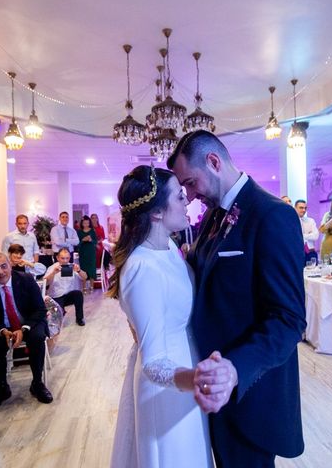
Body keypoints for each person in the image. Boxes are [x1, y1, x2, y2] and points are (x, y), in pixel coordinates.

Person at [169, 130, 306, 467]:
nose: (188, 194)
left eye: (190, 182)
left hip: (248, 390)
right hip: (212, 385)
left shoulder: (272, 215)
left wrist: (235, 369)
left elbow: (288, 319)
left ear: (214, 162)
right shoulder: (212, 217)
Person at [108, 165, 213, 468]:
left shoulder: (167, 246)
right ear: (156, 213)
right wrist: (193, 378)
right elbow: (153, 362)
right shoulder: (142, 268)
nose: (187, 201)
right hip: (168, 388)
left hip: (187, 367)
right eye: (179, 197)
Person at [0, 253, 52, 412]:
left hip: (28, 323)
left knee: (37, 338)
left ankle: (37, 383)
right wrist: (2, 330)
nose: (1, 272)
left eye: (4, 266)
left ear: (10, 265)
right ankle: (2, 387)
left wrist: (23, 328)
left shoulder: (26, 280)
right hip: (3, 327)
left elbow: (40, 309)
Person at [44, 248, 87, 325]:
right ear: (57, 258)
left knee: (78, 294)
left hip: (68, 295)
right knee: (58, 320)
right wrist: (53, 273)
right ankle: (61, 311)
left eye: (67, 258)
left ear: (69, 258)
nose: (65, 261)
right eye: (62, 258)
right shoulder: (52, 268)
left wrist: (79, 271)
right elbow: (45, 283)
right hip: (56, 297)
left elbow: (85, 277)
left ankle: (79, 318)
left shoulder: (73, 266)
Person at [294, 199, 319, 265]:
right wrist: (309, 234)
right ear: (295, 208)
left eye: (305, 208)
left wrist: (302, 235)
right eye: (301, 208)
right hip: (296, 254)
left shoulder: (310, 221)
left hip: (311, 253)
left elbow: (316, 236)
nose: (304, 210)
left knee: (314, 274)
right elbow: (294, 237)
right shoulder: (291, 222)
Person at [76, 216, 97, 287]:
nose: (86, 224)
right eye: (84, 223)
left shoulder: (92, 231)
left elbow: (95, 242)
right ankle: (84, 287)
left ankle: (92, 286)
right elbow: (77, 244)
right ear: (82, 223)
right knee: (83, 269)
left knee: (92, 269)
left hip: (91, 253)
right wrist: (83, 240)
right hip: (83, 253)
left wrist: (91, 240)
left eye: (87, 223)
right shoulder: (79, 232)